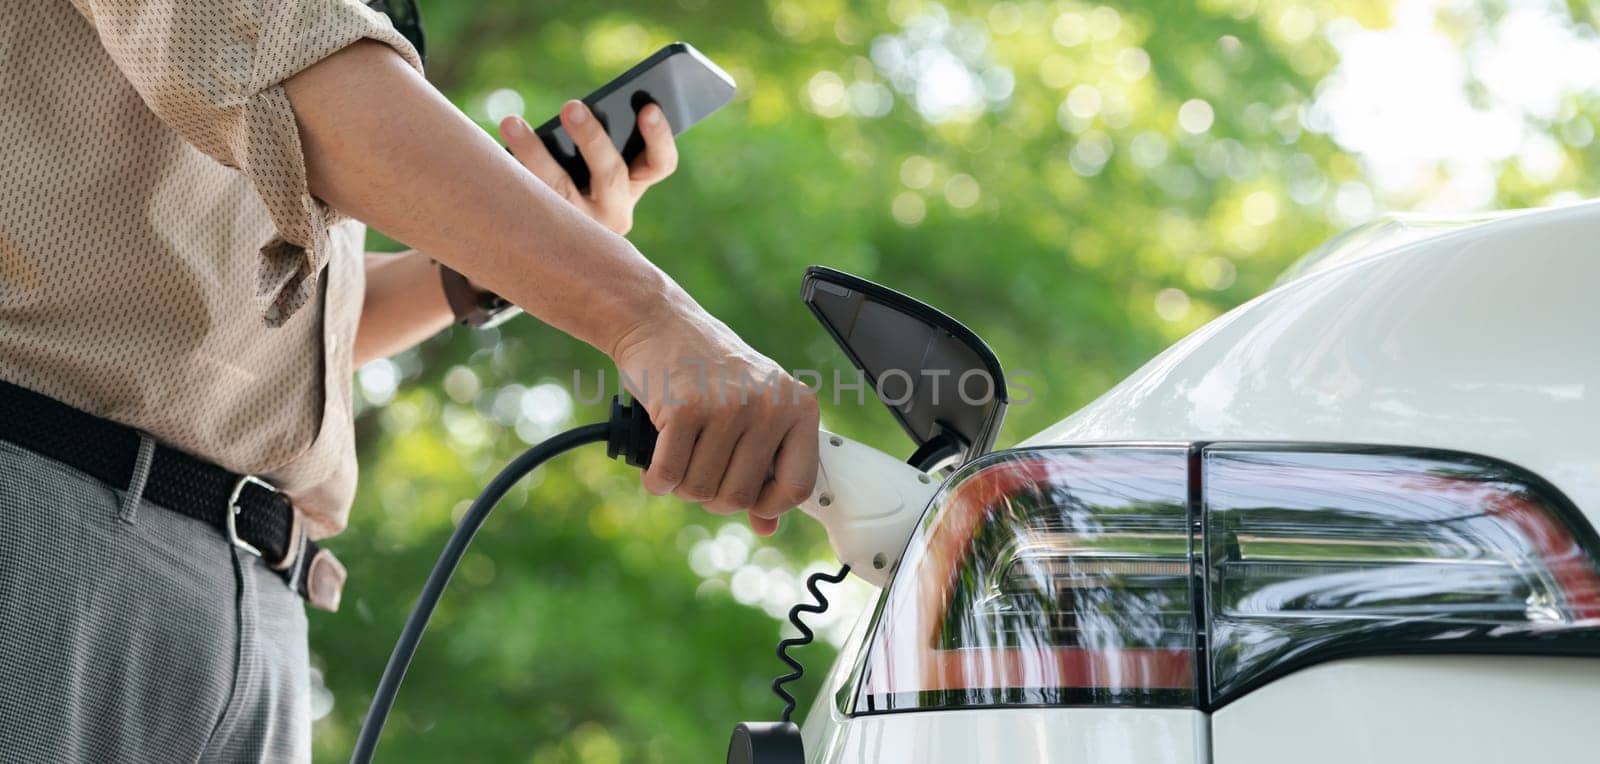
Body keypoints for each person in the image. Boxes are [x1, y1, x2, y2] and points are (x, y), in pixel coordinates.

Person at [0, 2, 818, 761]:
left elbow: (267, 338)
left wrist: (481, 266)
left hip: (255, 598)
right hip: (51, 521)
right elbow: (293, 64)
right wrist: (650, 316)